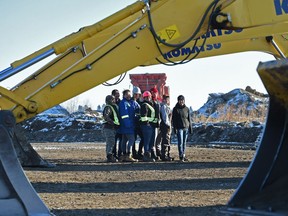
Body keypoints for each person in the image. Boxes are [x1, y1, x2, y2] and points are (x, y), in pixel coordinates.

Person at [119, 89, 138, 162]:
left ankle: (123, 155)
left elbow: (136, 107)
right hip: (127, 126)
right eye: (127, 94)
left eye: (130, 94)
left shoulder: (129, 102)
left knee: (124, 140)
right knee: (131, 139)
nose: (129, 96)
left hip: (126, 125)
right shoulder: (124, 103)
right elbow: (124, 115)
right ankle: (128, 155)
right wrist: (128, 124)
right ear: (124, 95)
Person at [172, 95, 192, 162]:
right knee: (180, 142)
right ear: (178, 101)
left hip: (186, 127)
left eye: (182, 100)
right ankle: (181, 156)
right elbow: (174, 120)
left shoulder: (187, 109)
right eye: (180, 100)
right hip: (179, 128)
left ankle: (183, 154)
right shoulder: (175, 109)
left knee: (184, 143)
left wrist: (190, 128)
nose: (181, 101)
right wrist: (174, 129)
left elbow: (189, 119)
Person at [140, 91, 156, 162]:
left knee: (150, 141)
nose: (148, 98)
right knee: (147, 141)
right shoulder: (145, 105)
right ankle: (146, 156)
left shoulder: (150, 104)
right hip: (146, 126)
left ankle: (148, 155)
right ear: (145, 97)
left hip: (150, 125)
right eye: (147, 97)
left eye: (149, 96)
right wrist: (147, 123)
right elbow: (144, 116)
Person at [102, 95, 120, 162]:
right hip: (109, 128)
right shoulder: (108, 107)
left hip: (111, 128)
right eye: (113, 99)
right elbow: (106, 116)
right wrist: (112, 123)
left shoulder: (111, 107)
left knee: (111, 142)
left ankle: (110, 156)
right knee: (110, 142)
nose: (114, 101)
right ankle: (109, 156)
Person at [131, 86, 144, 160]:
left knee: (143, 138)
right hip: (133, 124)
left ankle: (139, 152)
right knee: (133, 139)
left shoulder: (139, 102)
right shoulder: (131, 102)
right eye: (136, 94)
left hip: (138, 124)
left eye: (138, 94)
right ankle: (134, 153)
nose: (137, 95)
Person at [160, 95, 174, 161]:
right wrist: (168, 125)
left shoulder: (168, 107)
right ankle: (164, 155)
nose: (166, 101)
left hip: (168, 125)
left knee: (168, 140)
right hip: (165, 125)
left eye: (167, 99)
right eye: (165, 99)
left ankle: (167, 154)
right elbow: (165, 117)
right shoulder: (163, 107)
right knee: (165, 140)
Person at [150, 87, 161, 160]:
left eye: (155, 92)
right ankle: (152, 153)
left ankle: (157, 152)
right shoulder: (151, 102)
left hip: (158, 124)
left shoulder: (158, 102)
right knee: (152, 139)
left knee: (157, 139)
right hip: (152, 124)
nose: (154, 94)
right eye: (153, 92)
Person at [111, 89, 122, 159]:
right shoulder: (111, 104)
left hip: (120, 125)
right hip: (114, 125)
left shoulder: (121, 102)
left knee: (121, 140)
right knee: (114, 141)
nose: (118, 95)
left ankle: (120, 154)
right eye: (116, 94)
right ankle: (114, 154)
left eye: (118, 93)